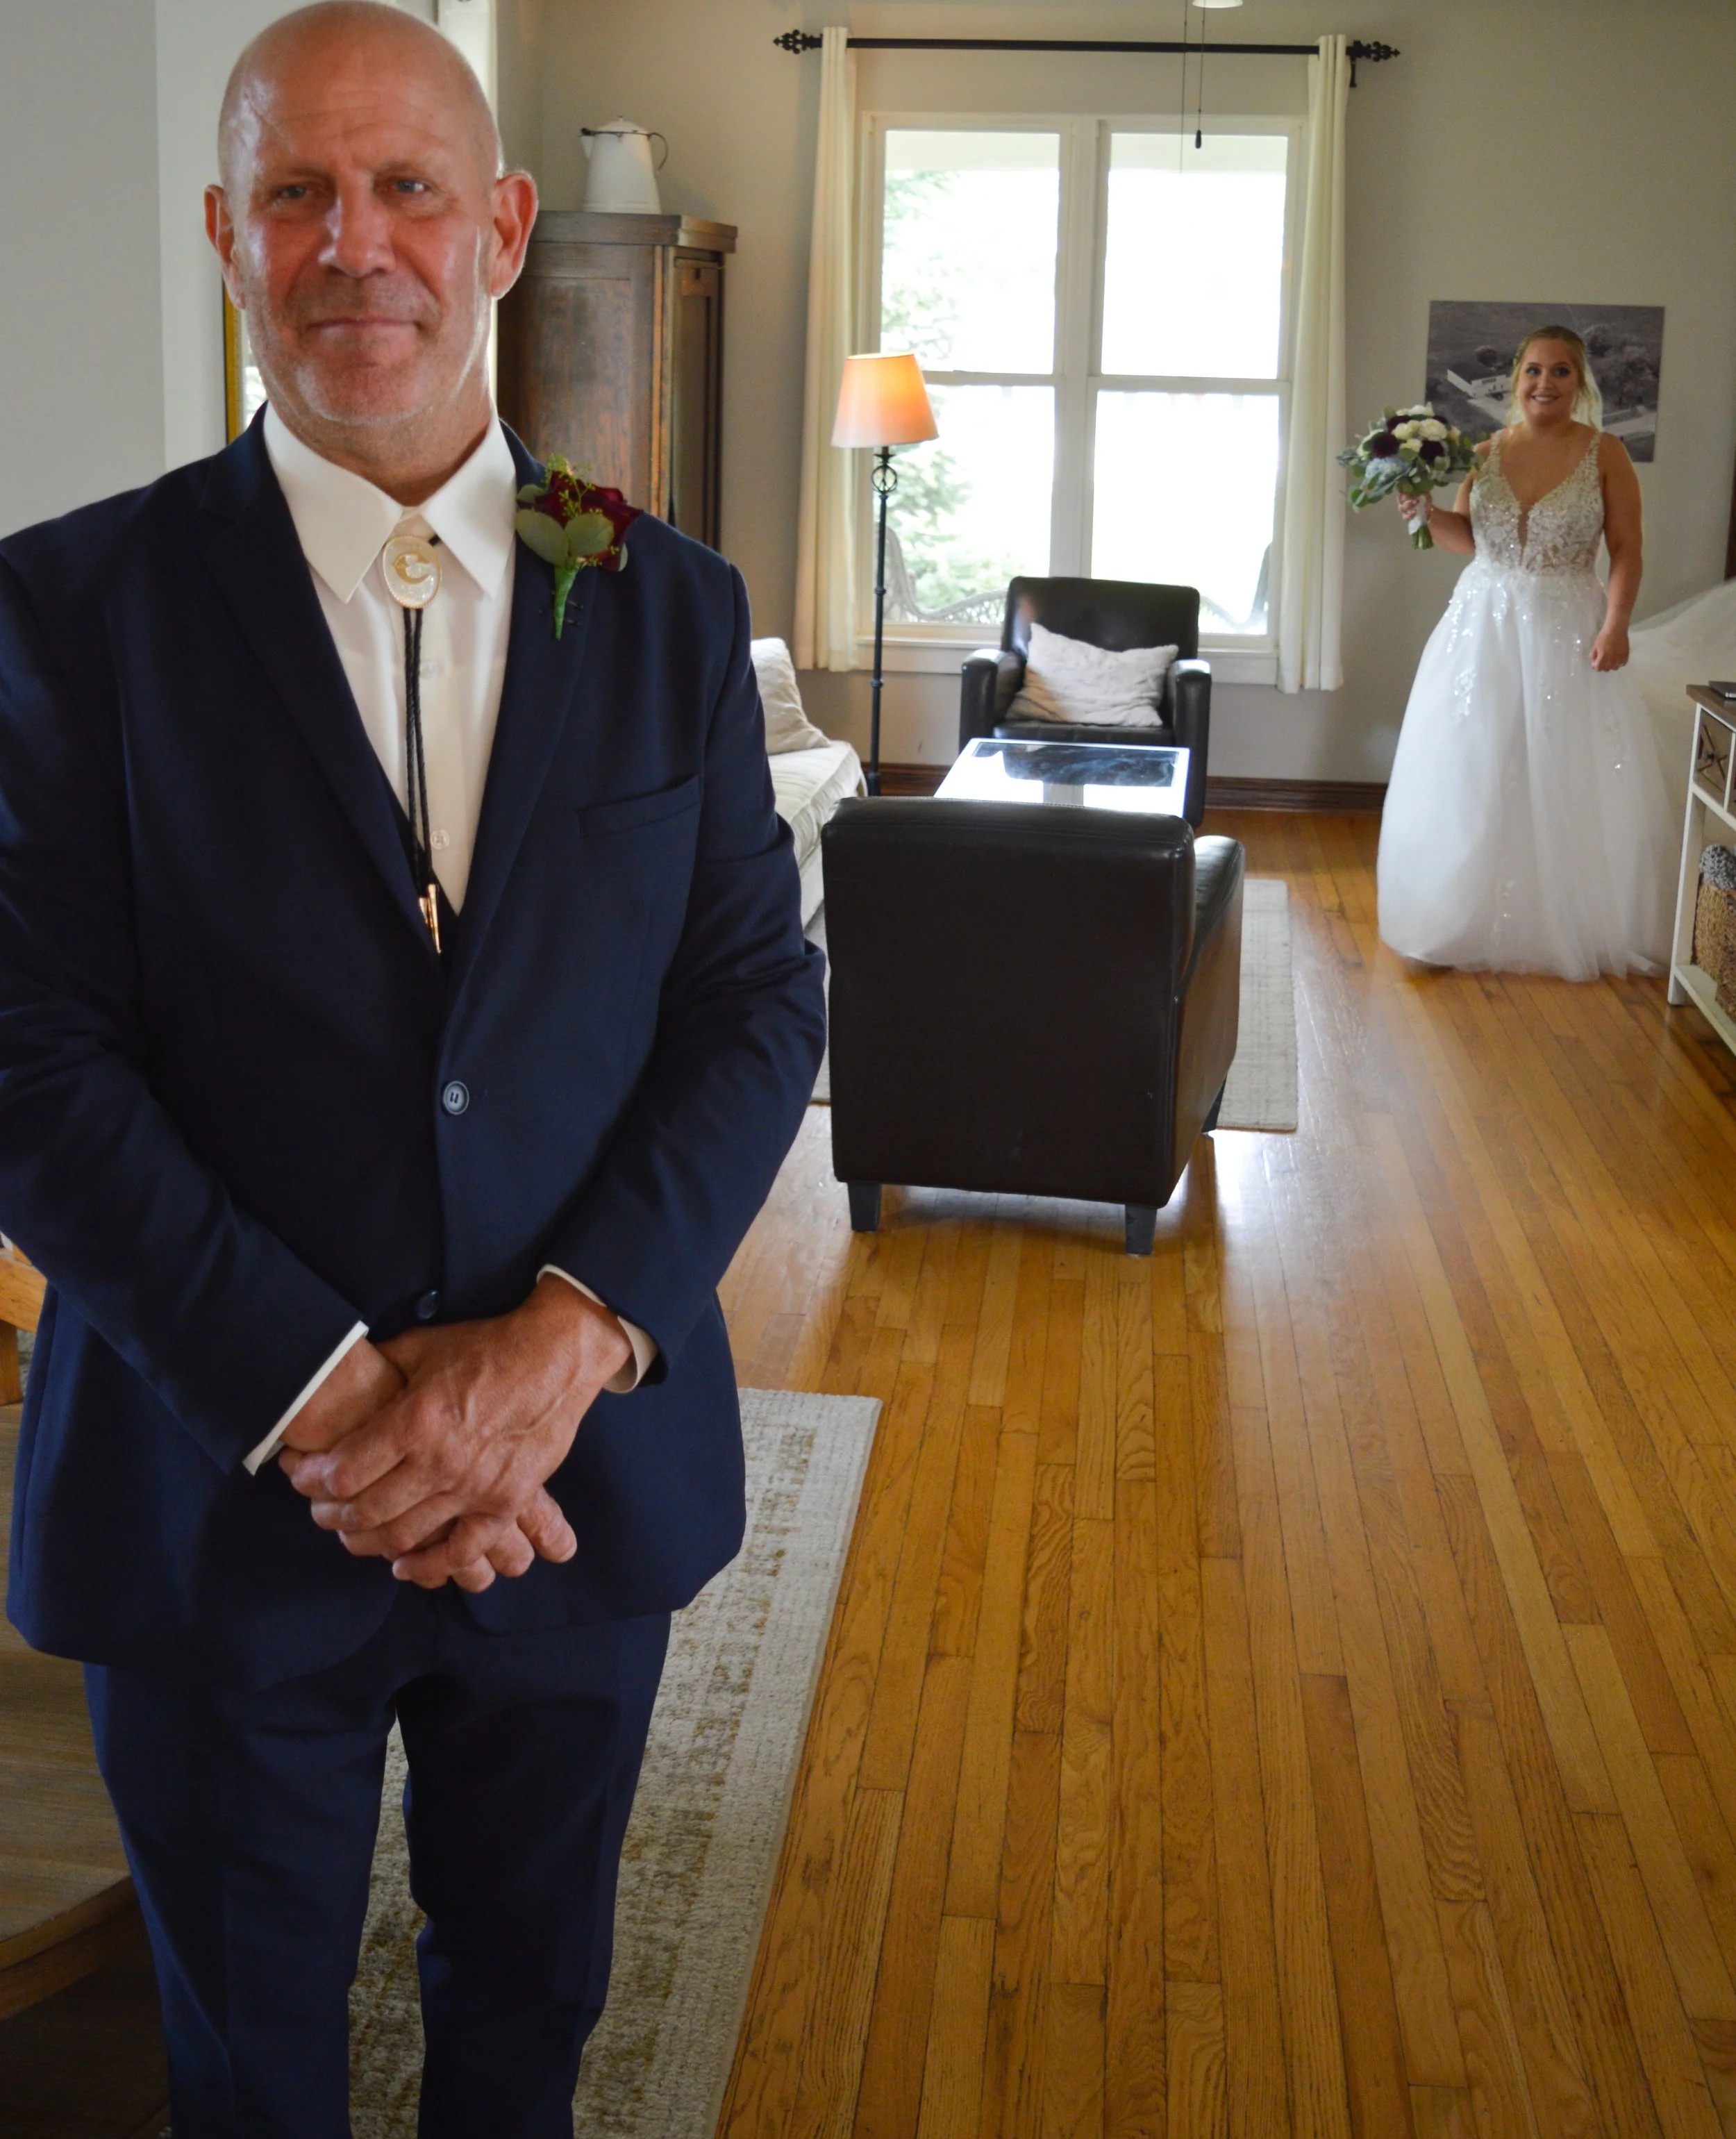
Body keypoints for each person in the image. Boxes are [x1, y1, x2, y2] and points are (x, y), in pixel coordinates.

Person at [0, 6, 824, 2134]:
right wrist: (347, 1402)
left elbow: (753, 1005)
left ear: (500, 230)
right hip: (214, 1488)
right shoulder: (66, 613)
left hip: (577, 1494)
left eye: (404, 190)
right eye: (296, 193)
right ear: (225, 231)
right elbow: (29, 1054)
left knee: (525, 2013)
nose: (350, 244)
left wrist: (555, 1352)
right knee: (244, 2062)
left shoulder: (662, 606)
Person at [1377, 326, 1672, 976]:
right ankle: (1453, 918)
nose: (1546, 383)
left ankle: (1562, 922)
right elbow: (1469, 539)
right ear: (1516, 379)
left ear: (1580, 383)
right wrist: (1423, 514)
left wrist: (1616, 624)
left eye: (1561, 372)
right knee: (1474, 760)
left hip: (1569, 624)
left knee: (1561, 764)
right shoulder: (1483, 452)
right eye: (1534, 370)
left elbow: (1628, 548)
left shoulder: (1606, 454)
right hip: (1481, 625)